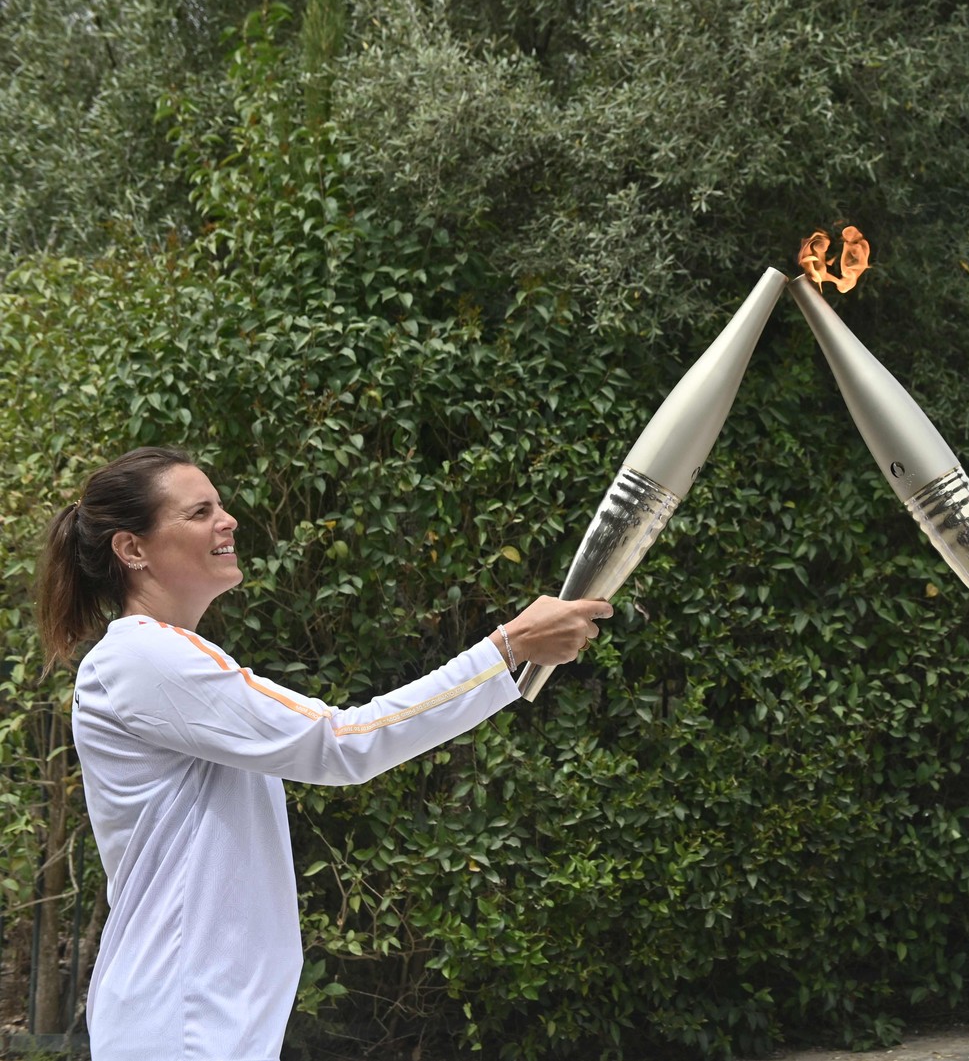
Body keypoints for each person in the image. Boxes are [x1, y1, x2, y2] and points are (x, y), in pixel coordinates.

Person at [35, 446, 613, 1061]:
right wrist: (506, 648)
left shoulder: (171, 660)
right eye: (200, 511)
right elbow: (342, 743)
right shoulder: (142, 657)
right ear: (133, 550)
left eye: (221, 505)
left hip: (204, 1021)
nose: (228, 521)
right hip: (181, 1023)